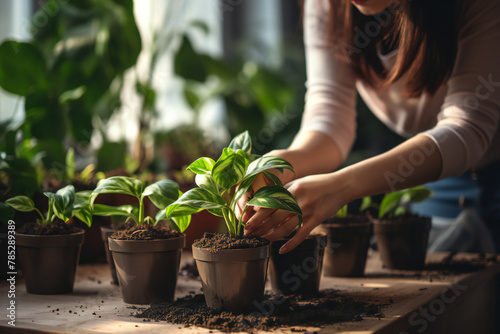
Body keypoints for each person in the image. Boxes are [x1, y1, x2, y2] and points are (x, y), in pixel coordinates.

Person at [240, 0, 500, 254]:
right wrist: (281, 163)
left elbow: (468, 127)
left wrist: (344, 185)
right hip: (437, 177)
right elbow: (330, 118)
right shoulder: (328, 4)